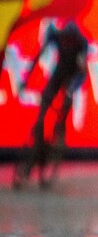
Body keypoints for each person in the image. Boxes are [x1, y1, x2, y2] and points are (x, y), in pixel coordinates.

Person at [19, 20, 89, 153]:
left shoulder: (81, 43)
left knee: (68, 96)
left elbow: (82, 70)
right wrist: (26, 79)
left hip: (74, 73)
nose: (68, 43)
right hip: (60, 70)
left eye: (70, 41)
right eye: (66, 40)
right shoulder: (56, 36)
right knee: (46, 98)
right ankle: (39, 124)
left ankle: (60, 125)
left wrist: (71, 88)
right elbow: (38, 56)